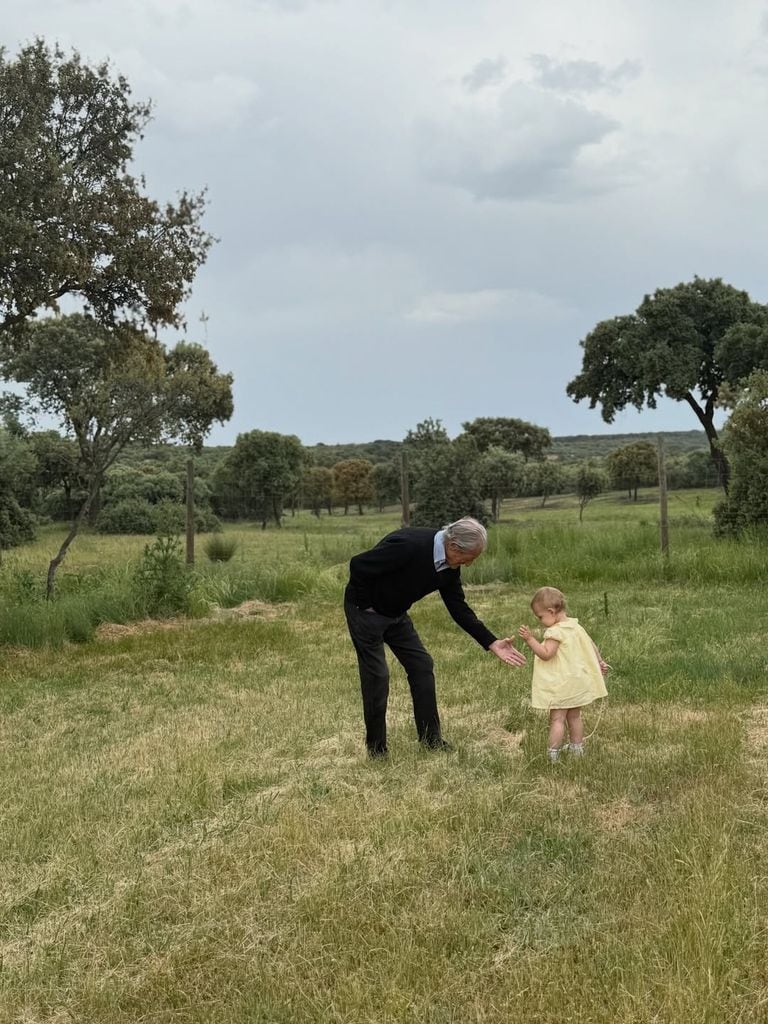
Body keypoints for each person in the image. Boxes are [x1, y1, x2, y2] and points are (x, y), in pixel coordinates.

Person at [345, 516, 526, 757]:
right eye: (469, 558)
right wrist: (367, 606)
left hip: (396, 614)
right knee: (378, 677)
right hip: (366, 614)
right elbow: (358, 565)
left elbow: (458, 608)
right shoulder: (410, 546)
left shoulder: (448, 567)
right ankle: (377, 749)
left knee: (421, 665)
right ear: (453, 546)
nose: (468, 565)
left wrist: (491, 642)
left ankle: (431, 739)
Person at [517, 586, 608, 763]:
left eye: (540, 616)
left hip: (562, 685)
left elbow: (546, 653)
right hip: (576, 682)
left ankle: (553, 754)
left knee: (557, 719)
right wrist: (600, 661)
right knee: (575, 717)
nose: (540, 621)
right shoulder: (575, 626)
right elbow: (591, 645)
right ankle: (577, 749)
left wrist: (530, 640)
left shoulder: (555, 632)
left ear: (551, 611)